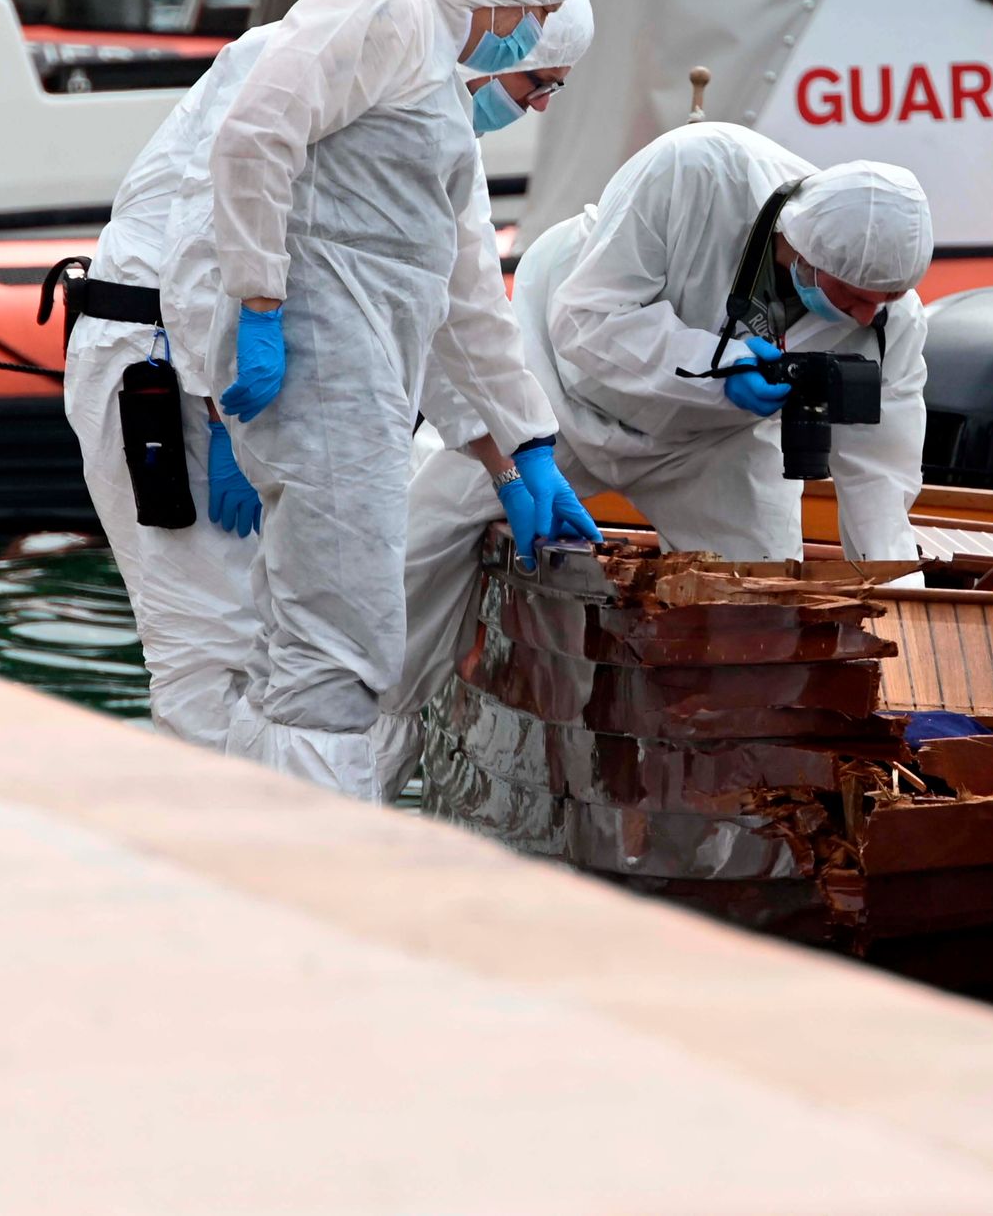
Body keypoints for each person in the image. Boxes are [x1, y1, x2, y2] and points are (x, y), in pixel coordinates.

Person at [56, 0, 595, 758]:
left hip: (255, 388)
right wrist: (221, 409)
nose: (538, 106)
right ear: (497, 23)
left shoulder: (432, 122)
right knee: (210, 653)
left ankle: (258, 851)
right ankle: (205, 863)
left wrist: (515, 460)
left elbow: (449, 308)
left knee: (277, 655)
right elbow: (207, 242)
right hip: (169, 365)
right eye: (536, 82)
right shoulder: (304, 58)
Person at [368, 121, 934, 783]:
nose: (867, 317)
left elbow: (881, 484)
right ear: (804, 250)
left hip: (709, 445)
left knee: (761, 619)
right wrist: (716, 363)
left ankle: (736, 800)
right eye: (854, 296)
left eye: (885, 301)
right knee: (415, 551)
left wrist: (909, 653)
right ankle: (350, 765)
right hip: (552, 392)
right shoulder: (696, 170)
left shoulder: (893, 321)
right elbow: (586, 321)